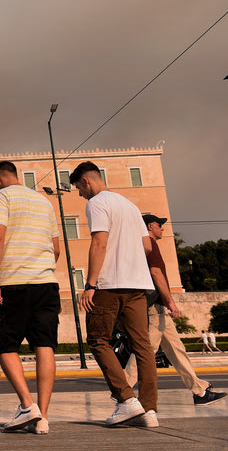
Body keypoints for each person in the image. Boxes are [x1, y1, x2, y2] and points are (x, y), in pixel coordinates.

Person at [70, 161, 158, 428]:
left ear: (86, 181)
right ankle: (150, 410)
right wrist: (129, 259)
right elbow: (146, 246)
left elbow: (99, 242)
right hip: (137, 285)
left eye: (78, 188)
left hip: (109, 285)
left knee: (98, 339)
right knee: (143, 346)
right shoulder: (130, 205)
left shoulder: (97, 203)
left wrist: (90, 284)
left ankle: (126, 400)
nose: (79, 194)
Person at [0, 161, 62, 434]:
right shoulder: (44, 202)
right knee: (45, 345)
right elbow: (56, 249)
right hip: (45, 283)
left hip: (12, 282)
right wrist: (40, 268)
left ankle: (28, 406)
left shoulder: (0, 196)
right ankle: (43, 418)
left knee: (4, 344)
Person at [124, 215, 226, 406]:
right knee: (145, 351)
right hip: (155, 307)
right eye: (159, 225)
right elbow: (156, 273)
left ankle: (199, 391)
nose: (162, 228)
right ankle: (122, 390)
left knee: (177, 350)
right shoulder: (150, 245)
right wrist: (170, 301)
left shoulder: (143, 246)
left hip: (157, 308)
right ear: (149, 226)